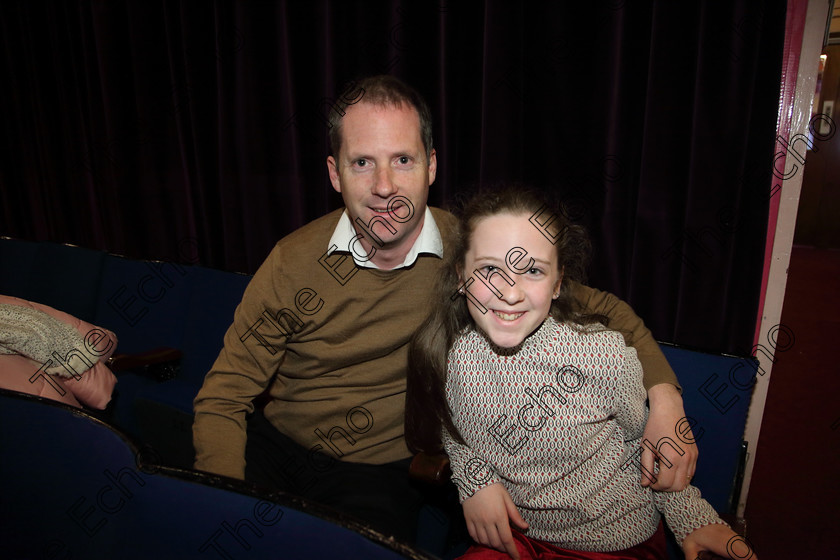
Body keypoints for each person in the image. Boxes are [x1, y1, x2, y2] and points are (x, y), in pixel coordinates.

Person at [192, 75, 698, 544]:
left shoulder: (470, 252)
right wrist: (221, 502)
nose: (385, 186)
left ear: (431, 165)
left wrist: (665, 403)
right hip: (277, 449)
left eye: (403, 160)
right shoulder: (291, 262)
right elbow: (224, 397)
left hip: (382, 474)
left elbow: (606, 313)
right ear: (334, 173)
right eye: (362, 162)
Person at [405, 186, 753, 560]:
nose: (509, 293)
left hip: (613, 541)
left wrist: (691, 518)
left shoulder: (602, 355)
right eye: (490, 269)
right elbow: (454, 431)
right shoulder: (458, 355)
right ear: (462, 276)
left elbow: (644, 448)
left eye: (533, 271)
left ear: (558, 283)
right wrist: (475, 482)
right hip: (515, 537)